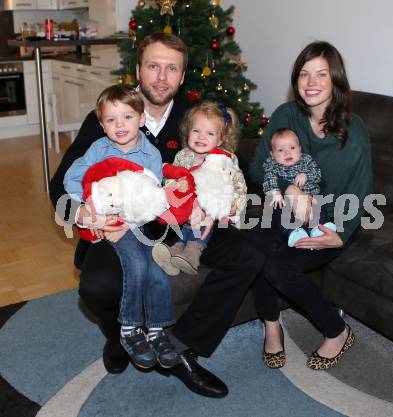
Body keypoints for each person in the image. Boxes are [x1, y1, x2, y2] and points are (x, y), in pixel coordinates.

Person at [49, 32, 264, 398]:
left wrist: (226, 205)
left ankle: (180, 347)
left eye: (171, 69)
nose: (161, 77)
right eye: (153, 66)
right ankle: (118, 335)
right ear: (139, 69)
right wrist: (84, 214)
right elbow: (61, 185)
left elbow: (238, 171)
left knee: (250, 255)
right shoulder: (109, 118)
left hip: (182, 226)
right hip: (122, 226)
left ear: (182, 77)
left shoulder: (192, 117)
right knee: (96, 286)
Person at [249, 41, 373, 370]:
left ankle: (337, 331)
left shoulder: (353, 130)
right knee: (255, 248)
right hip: (283, 208)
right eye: (304, 73)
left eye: (321, 73)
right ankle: (271, 326)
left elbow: (361, 189)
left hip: (333, 216)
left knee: (279, 267)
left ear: (336, 80)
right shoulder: (286, 115)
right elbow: (258, 164)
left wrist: (341, 234)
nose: (311, 81)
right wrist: (289, 187)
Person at [64, 84, 180, 369]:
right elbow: (71, 178)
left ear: (141, 119)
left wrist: (129, 222)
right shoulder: (97, 149)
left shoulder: (150, 154)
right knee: (136, 265)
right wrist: (86, 208)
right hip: (106, 222)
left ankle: (156, 330)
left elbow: (153, 197)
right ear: (102, 125)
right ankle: (128, 329)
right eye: (111, 119)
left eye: (127, 117)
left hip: (137, 222)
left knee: (156, 267)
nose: (120, 125)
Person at [152, 101, 247, 276]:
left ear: (221, 139)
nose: (201, 137)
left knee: (204, 220)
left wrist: (233, 204)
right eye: (196, 131)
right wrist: (176, 185)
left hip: (212, 212)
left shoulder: (227, 159)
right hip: (186, 210)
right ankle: (175, 253)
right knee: (179, 224)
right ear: (188, 132)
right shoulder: (183, 156)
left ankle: (193, 252)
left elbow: (239, 186)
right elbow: (169, 179)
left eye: (209, 133)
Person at [262, 127, 336, 247]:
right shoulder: (272, 166)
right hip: (285, 203)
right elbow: (268, 179)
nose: (287, 152)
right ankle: (296, 233)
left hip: (310, 198)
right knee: (280, 214)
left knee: (318, 208)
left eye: (292, 148)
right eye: (280, 150)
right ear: (272, 155)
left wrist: (306, 175)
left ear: (300, 149)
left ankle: (319, 228)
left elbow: (317, 174)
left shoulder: (306, 161)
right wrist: (274, 192)